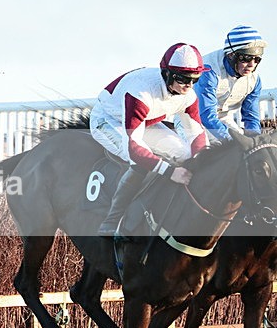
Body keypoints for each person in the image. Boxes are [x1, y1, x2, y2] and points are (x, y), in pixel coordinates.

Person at [90, 43, 209, 237]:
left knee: (185, 154)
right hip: (109, 119)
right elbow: (134, 148)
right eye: (183, 79)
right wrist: (170, 171)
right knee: (141, 163)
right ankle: (112, 220)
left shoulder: (189, 95)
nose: (189, 85)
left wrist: (201, 160)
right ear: (167, 74)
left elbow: (196, 134)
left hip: (144, 121)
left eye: (195, 79)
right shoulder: (141, 93)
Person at [195, 25, 267, 142]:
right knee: (195, 152)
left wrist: (256, 140)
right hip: (192, 119)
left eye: (257, 59)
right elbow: (206, 114)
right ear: (231, 55)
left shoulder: (255, 80)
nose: (252, 64)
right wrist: (230, 140)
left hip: (223, 118)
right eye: (246, 58)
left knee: (247, 150)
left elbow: (251, 116)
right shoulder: (208, 71)